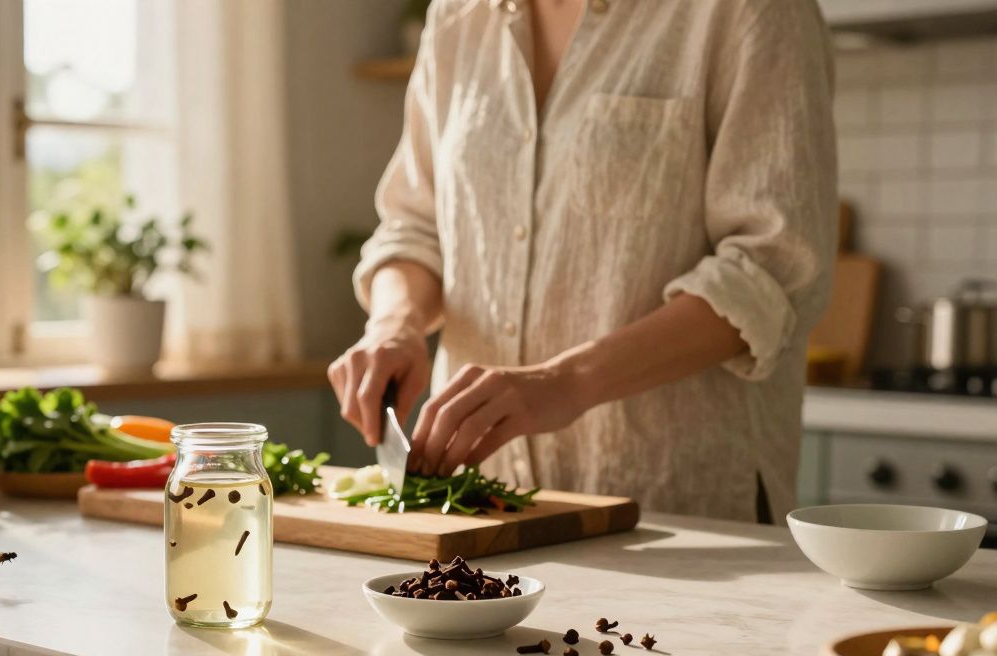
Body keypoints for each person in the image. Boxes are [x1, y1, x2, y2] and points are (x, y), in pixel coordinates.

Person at [328, 0, 836, 523]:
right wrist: (396, 323)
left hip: (677, 510)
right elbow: (416, 225)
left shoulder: (749, 10)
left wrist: (565, 382)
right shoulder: (458, 15)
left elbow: (769, 272)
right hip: (480, 512)